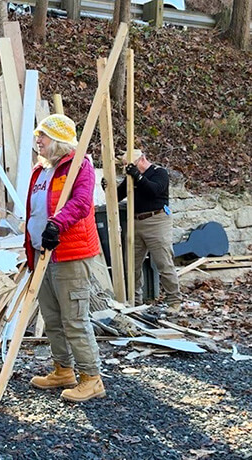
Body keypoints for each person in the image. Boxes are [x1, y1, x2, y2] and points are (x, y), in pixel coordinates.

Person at [24, 114, 106, 403]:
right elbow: (35, 211)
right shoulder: (41, 170)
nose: (38, 141)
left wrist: (56, 225)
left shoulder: (78, 166)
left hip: (69, 252)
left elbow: (82, 203)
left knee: (74, 318)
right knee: (52, 316)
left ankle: (91, 378)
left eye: (43, 136)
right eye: (37, 135)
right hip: (43, 252)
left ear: (58, 140)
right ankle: (63, 370)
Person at [114, 149, 181, 312]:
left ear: (141, 160)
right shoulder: (132, 176)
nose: (126, 169)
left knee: (163, 261)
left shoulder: (159, 173)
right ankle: (134, 301)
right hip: (135, 221)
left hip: (156, 220)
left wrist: (138, 177)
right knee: (131, 264)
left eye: (129, 165)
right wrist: (107, 187)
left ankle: (174, 301)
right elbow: (117, 195)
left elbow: (154, 190)